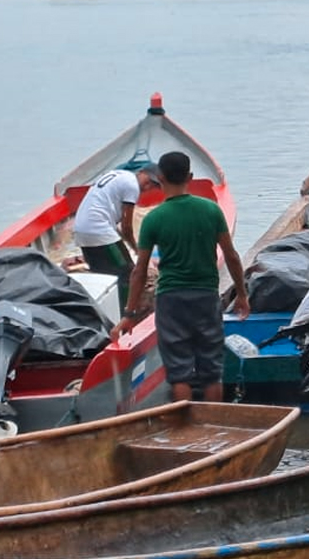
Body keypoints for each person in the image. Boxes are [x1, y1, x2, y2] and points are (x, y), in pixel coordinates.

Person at [111, 150, 250, 402]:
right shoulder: (211, 210)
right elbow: (231, 256)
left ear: (160, 177)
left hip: (171, 301)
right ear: (190, 176)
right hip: (206, 297)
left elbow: (139, 271)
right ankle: (214, 429)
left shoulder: (154, 219)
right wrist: (241, 294)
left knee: (179, 373)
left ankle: (183, 429)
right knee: (211, 372)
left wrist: (129, 315)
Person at [72, 162, 161, 309]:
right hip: (98, 230)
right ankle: (127, 313)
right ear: (141, 172)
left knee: (100, 275)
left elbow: (117, 225)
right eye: (148, 181)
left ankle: (104, 310)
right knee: (127, 273)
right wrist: (137, 249)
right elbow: (126, 227)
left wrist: (128, 244)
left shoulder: (118, 176)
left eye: (153, 185)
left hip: (81, 231)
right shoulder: (132, 186)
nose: (147, 186)